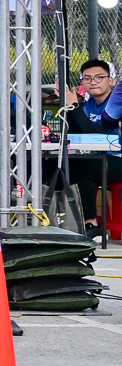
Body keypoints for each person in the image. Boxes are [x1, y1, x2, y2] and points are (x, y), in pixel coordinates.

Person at [66, 58, 122, 234]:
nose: (93, 82)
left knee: (84, 166)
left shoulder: (116, 103)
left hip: (117, 159)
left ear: (111, 80)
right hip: (97, 159)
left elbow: (99, 132)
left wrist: (74, 106)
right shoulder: (88, 105)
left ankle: (90, 223)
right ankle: (53, 218)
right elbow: (74, 134)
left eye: (99, 77)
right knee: (58, 164)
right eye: (87, 78)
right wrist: (70, 109)